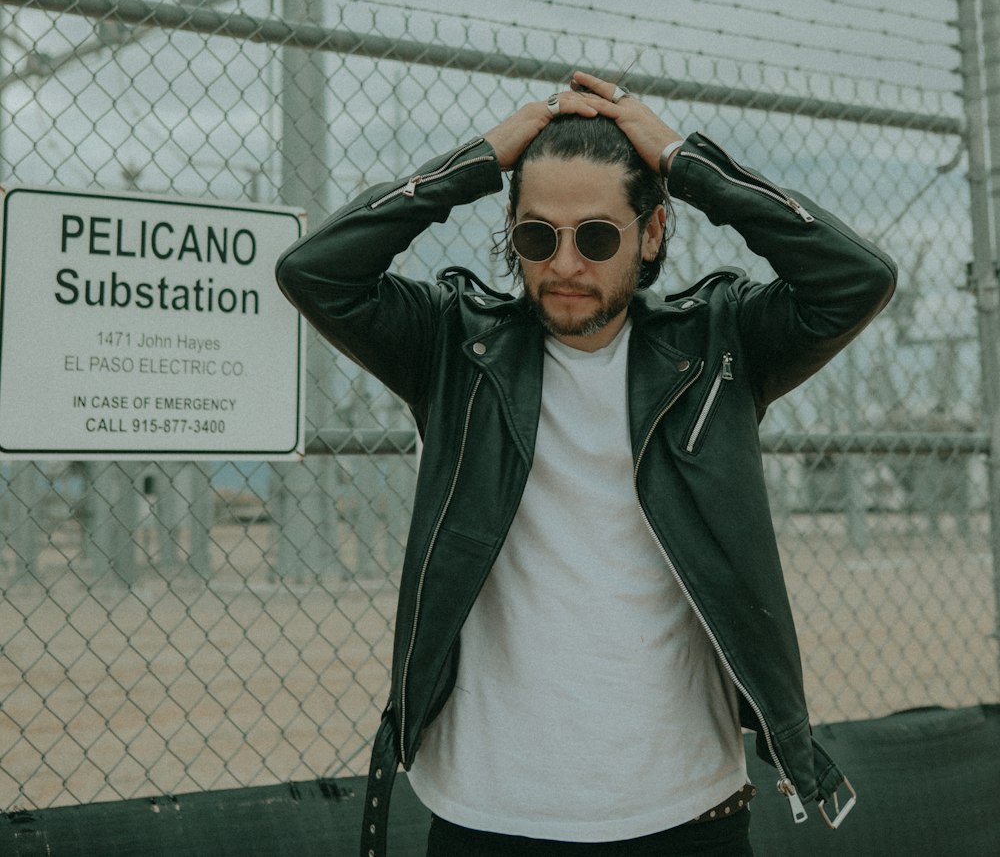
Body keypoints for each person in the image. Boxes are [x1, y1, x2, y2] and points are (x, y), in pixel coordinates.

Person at [275, 69, 896, 857]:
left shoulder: (721, 344)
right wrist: (479, 159)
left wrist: (681, 159)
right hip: (488, 810)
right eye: (538, 235)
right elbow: (314, 271)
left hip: (688, 809)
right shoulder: (452, 347)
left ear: (653, 233)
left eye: (597, 236)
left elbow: (857, 277)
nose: (565, 264)